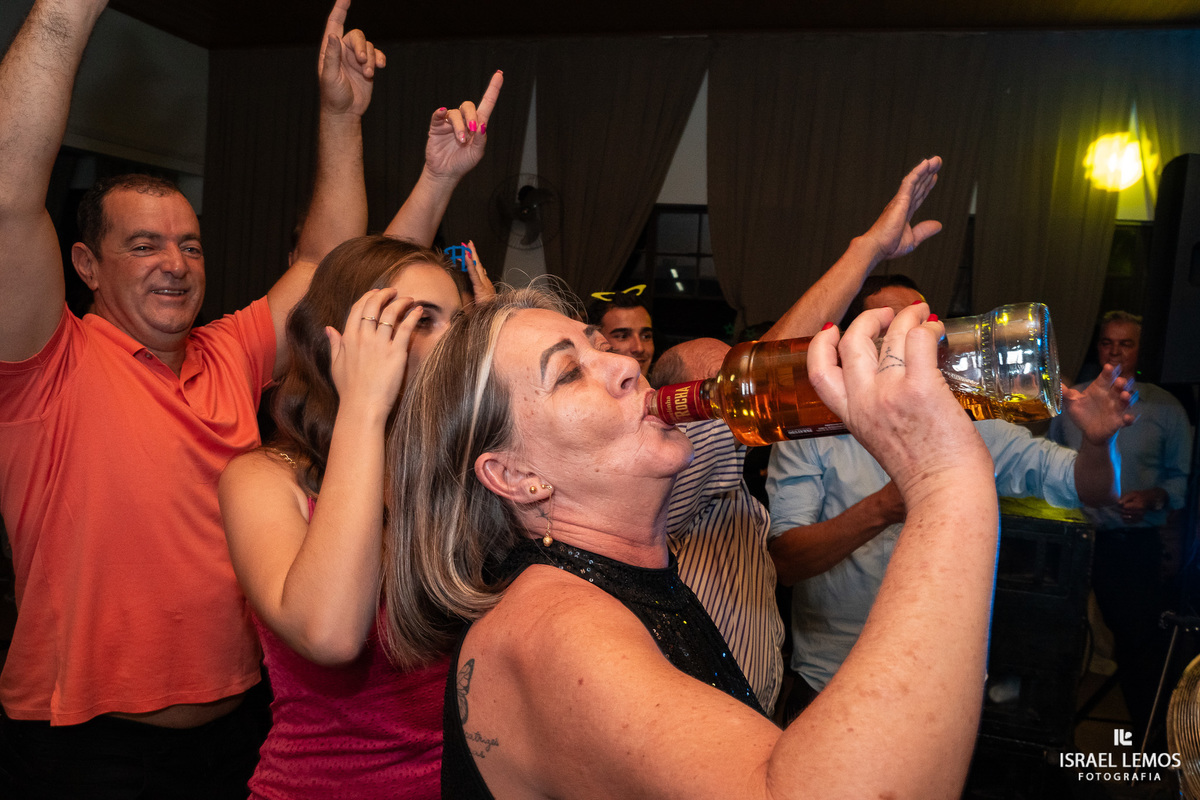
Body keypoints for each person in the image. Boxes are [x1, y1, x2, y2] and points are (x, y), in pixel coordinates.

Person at [0, 0, 474, 794]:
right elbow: (10, 197)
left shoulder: (225, 351)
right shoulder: (47, 361)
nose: (176, 263)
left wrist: (340, 114)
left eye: (189, 243)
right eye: (143, 244)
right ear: (85, 265)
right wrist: (63, 14)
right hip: (83, 745)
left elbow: (330, 263)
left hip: (242, 732)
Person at [378, 286, 1023, 798]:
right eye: (570, 373)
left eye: (603, 346)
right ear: (516, 476)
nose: (628, 366)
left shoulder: (610, 582)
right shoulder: (551, 627)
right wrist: (944, 479)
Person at [644, 158, 944, 715]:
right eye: (717, 387)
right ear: (682, 409)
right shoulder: (667, 483)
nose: (736, 388)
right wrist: (867, 249)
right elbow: (753, 381)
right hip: (708, 722)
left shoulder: (731, 487)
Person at [766, 276, 1135, 723]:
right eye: (888, 331)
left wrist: (1098, 443)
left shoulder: (970, 420)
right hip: (833, 677)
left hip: (939, 686)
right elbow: (786, 561)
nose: (901, 344)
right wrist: (885, 505)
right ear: (854, 344)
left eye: (918, 328)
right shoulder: (812, 429)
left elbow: (1089, 488)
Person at [219, 236, 492, 799]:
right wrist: (364, 407)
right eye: (418, 320)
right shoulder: (263, 480)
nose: (449, 345)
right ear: (341, 339)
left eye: (458, 324)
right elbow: (330, 633)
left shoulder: (471, 473)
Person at [1049, 309, 1193, 743]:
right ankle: (1053, 741)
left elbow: (1180, 481)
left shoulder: (1166, 409)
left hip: (1131, 545)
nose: (1114, 351)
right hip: (1073, 539)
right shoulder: (1074, 401)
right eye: (1107, 342)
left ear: (1139, 350)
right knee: (1058, 642)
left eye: (1125, 344)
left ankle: (1152, 744)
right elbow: (1050, 461)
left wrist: (1153, 497)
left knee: (1138, 647)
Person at [586, 289, 655, 375]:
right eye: (623, 336)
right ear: (594, 341)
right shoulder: (580, 388)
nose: (639, 348)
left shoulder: (664, 387)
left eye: (646, 336)